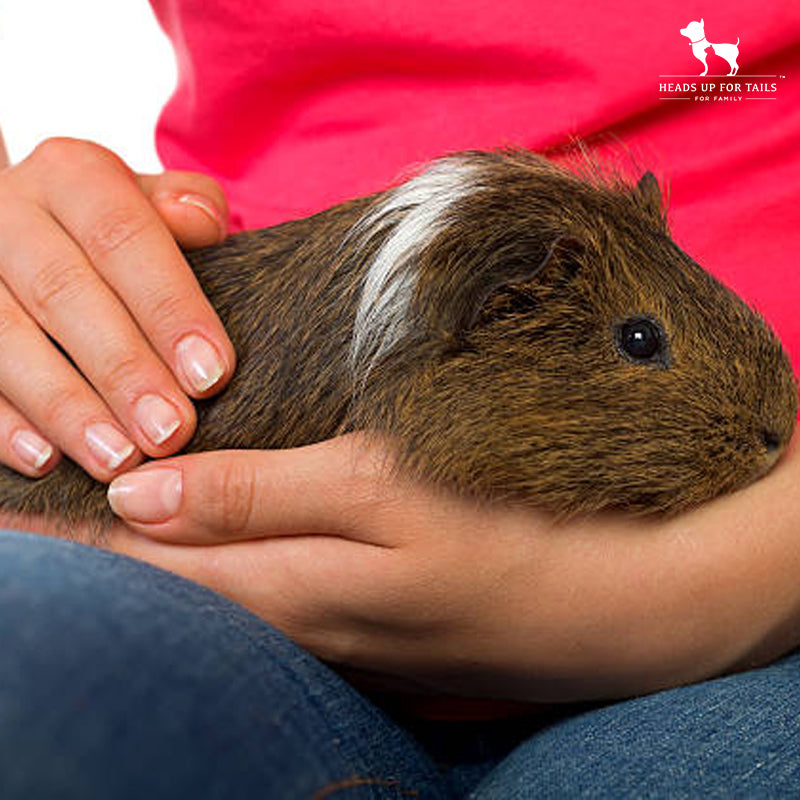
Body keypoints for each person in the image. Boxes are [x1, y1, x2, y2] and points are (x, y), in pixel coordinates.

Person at [0, 0, 799, 796]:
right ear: (501, 307)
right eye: (638, 344)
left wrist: (758, 569)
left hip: (757, 634)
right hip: (251, 650)